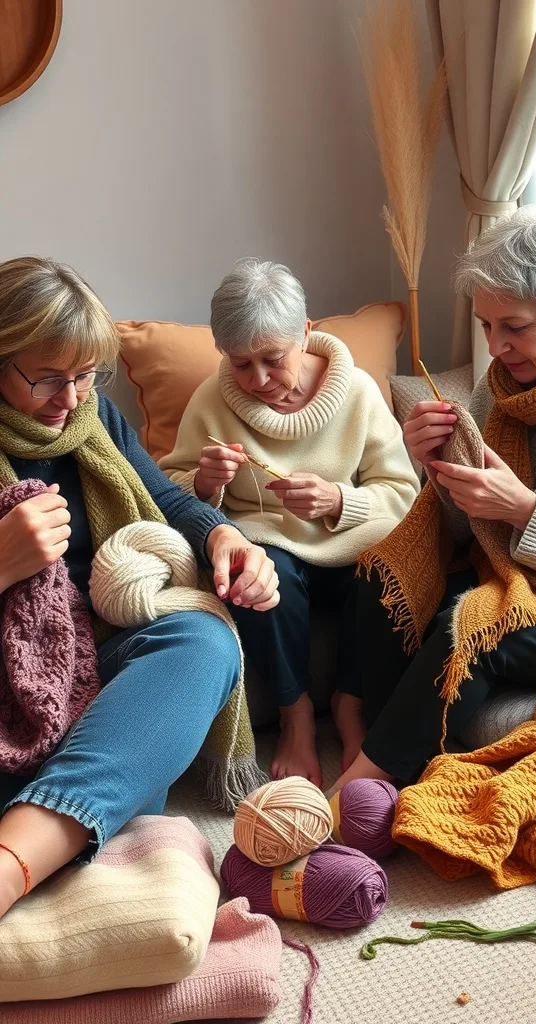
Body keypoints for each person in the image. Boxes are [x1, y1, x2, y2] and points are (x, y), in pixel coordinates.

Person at [0, 256, 279, 918]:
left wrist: (225, 538)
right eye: (45, 378)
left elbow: (161, 496)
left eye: (83, 375)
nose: (69, 399)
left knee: (205, 640)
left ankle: (20, 853)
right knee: (135, 760)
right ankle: (71, 817)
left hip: (93, 653)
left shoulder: (90, 417)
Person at [328, 207, 536, 795]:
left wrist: (524, 509)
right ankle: (383, 752)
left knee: (476, 628)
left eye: (514, 327)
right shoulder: (503, 393)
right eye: (486, 326)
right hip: (521, 571)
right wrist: (436, 470)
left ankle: (352, 794)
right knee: (384, 576)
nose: (495, 346)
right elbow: (468, 534)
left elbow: (509, 517)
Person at [160, 259, 420, 786]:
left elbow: (403, 495)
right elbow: (168, 491)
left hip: (351, 548)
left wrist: (339, 502)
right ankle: (295, 715)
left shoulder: (358, 393)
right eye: (240, 364)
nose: (258, 380)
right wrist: (206, 483)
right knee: (261, 570)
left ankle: (351, 702)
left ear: (306, 333)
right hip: (269, 548)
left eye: (273, 359)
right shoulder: (211, 401)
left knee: (390, 570)